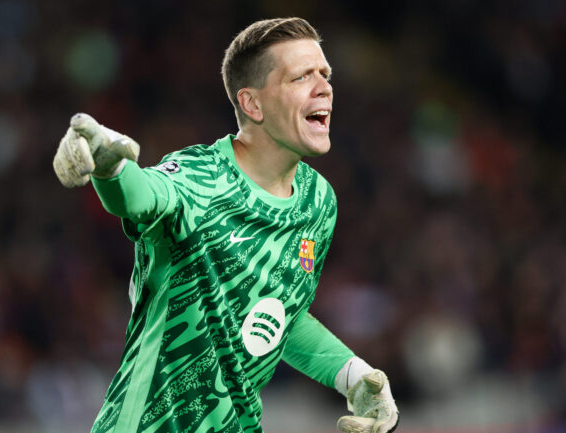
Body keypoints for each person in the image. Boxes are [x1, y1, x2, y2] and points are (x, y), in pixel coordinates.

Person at [53, 17, 398, 433]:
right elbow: (140, 196)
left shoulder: (318, 202)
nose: (324, 87)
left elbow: (282, 315)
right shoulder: (201, 177)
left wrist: (355, 376)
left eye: (325, 74)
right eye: (301, 77)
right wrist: (109, 165)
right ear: (252, 104)